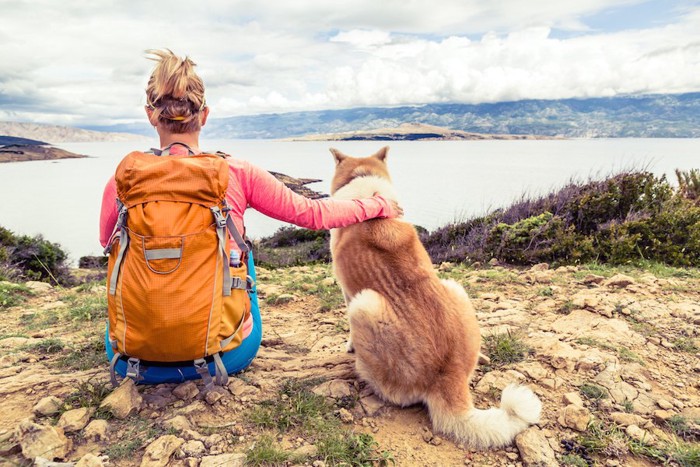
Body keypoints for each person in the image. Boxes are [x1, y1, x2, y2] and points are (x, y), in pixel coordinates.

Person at [99, 49, 402, 384]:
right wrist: (377, 205)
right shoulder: (236, 172)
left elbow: (106, 242)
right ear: (205, 114)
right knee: (239, 249)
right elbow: (313, 214)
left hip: (130, 358)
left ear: (150, 115)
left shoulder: (123, 178)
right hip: (224, 356)